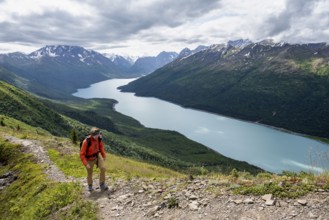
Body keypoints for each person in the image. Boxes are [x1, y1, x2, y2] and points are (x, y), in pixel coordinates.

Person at [80, 127, 108, 191]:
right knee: (90, 172)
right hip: (89, 159)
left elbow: (101, 147)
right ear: (92, 135)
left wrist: (104, 155)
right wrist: (86, 163)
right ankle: (90, 185)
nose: (96, 136)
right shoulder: (86, 141)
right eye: (95, 135)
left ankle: (102, 184)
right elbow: (82, 154)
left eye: (97, 135)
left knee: (103, 168)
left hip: (97, 156)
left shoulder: (98, 139)